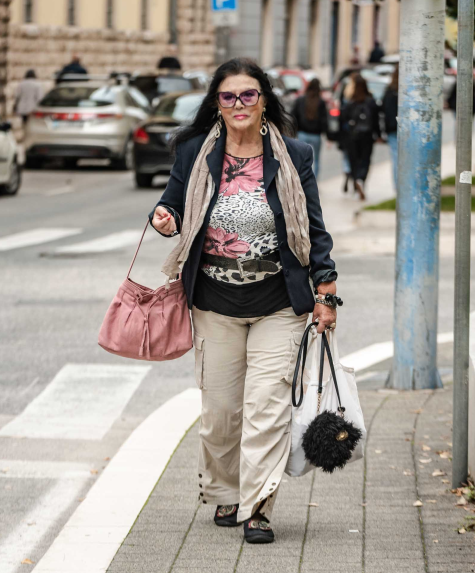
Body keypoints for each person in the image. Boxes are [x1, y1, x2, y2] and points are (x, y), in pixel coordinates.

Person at [150, 57, 339, 545]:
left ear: (264, 102)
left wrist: (327, 287)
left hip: (279, 301)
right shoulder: (194, 151)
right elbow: (171, 200)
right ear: (217, 102)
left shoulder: (293, 155)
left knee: (266, 408)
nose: (239, 104)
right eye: (229, 96)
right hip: (213, 302)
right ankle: (225, 491)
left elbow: (313, 225)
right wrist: (164, 217)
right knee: (220, 413)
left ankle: (257, 507)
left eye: (248, 95)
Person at [340, 73, 380, 201]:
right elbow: (376, 120)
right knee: (365, 159)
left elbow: (343, 119)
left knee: (354, 160)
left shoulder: (350, 102)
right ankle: (361, 180)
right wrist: (378, 135)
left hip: (352, 136)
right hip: (367, 136)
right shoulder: (371, 101)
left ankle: (356, 180)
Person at [292, 79, 329, 177]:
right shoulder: (321, 102)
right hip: (316, 135)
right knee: (316, 160)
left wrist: (294, 131)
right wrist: (328, 136)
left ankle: (302, 180)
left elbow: (293, 116)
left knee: (301, 159)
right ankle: (314, 182)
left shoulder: (301, 100)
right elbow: (324, 120)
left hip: (302, 133)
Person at [382, 67, 399, 191]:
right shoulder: (409, 90)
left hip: (392, 129)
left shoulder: (389, 91)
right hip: (406, 130)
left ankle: (397, 187)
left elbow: (384, 110)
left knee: (395, 158)